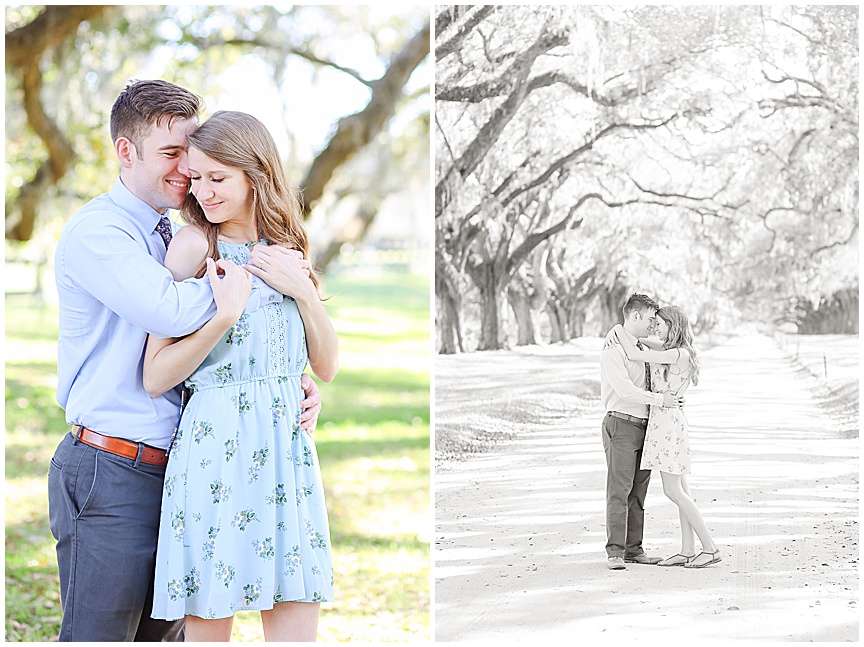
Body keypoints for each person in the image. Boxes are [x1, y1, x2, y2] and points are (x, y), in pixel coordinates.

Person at [48, 79, 322, 642]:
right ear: (127, 152)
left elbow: (231, 348)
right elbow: (170, 310)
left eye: (195, 159)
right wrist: (265, 281)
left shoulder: (177, 232)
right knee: (98, 637)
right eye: (173, 155)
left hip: (184, 465)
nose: (186, 173)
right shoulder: (101, 232)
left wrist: (284, 374)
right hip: (112, 468)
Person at [143, 110, 338, 642]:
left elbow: (326, 366)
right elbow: (156, 375)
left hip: (286, 447)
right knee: (210, 620)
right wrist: (225, 315)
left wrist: (302, 290)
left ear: (256, 174)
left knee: (296, 624)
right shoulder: (192, 248)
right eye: (196, 177)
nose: (202, 191)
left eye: (217, 177)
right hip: (216, 445)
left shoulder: (289, 248)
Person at [610, 305, 721, 568]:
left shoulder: (678, 354)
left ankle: (711, 548)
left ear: (673, 325)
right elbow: (644, 344)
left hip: (668, 426)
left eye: (659, 324)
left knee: (674, 491)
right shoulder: (672, 351)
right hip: (669, 422)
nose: (655, 329)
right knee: (683, 491)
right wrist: (631, 334)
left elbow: (636, 353)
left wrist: (617, 330)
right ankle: (687, 550)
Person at [599, 293, 682, 571]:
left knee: (638, 492)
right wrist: (661, 401)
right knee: (619, 490)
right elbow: (625, 390)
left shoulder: (642, 347)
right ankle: (615, 552)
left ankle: (634, 549)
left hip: (647, 427)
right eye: (649, 319)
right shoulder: (614, 350)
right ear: (635, 316)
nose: (652, 325)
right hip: (621, 424)